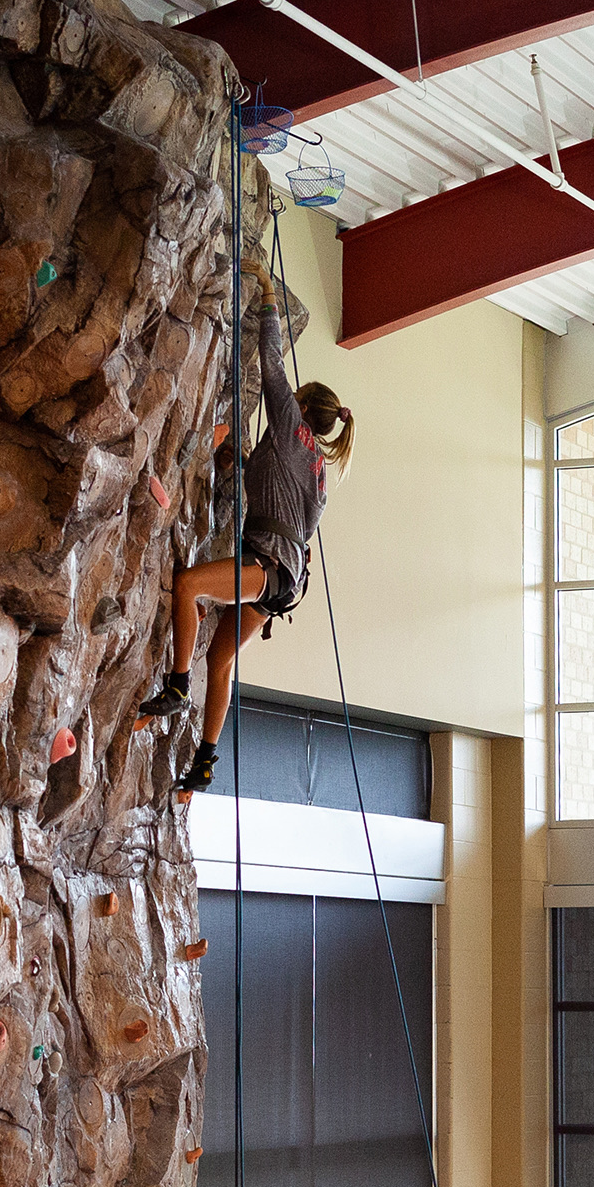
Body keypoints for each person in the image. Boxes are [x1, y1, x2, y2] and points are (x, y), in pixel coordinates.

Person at [137, 257, 354, 793]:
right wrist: (236, 458)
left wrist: (268, 294)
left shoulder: (290, 424)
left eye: (295, 400)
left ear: (302, 407)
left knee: (187, 585)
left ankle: (177, 686)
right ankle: (205, 764)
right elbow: (281, 503)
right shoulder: (319, 470)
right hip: (285, 579)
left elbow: (271, 361)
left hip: (267, 566)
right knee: (221, 657)